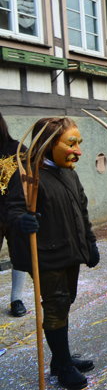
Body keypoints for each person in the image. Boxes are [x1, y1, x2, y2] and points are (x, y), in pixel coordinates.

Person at [6, 117, 99, 390]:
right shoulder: (27, 176)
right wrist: (21, 220)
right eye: (71, 143)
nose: (78, 151)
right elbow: (11, 209)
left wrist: (90, 241)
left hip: (71, 251)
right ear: (48, 144)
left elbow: (82, 209)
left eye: (79, 143)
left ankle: (61, 358)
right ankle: (62, 366)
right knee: (56, 307)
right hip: (46, 255)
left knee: (66, 301)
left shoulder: (69, 172)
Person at [1, 112, 28, 317]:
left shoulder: (17, 150)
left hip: (15, 212)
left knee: (19, 256)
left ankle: (16, 299)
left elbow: (31, 179)